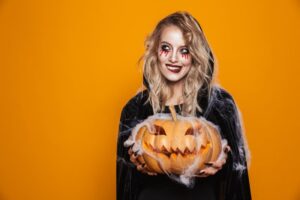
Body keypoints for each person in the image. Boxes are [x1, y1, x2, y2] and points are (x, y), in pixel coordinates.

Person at [116, 11, 251, 200]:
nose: (174, 58)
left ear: (196, 55)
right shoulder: (135, 109)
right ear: (155, 51)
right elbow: (126, 186)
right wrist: (135, 162)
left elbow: (238, 181)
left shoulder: (220, 106)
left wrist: (223, 163)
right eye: (166, 48)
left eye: (184, 51)